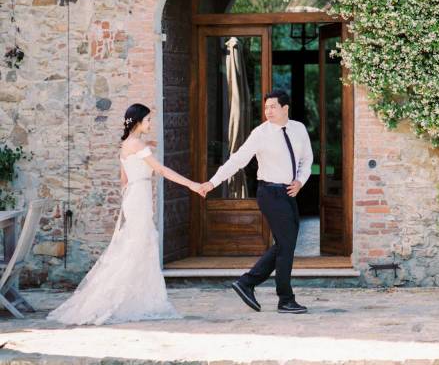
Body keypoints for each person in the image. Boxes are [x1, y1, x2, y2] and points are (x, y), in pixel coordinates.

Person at [47, 103, 204, 325]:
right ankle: (117, 299)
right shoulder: (137, 145)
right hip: (139, 198)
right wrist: (192, 185)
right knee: (136, 248)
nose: (150, 123)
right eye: (148, 120)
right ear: (138, 122)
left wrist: (129, 199)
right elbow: (160, 170)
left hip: (134, 196)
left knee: (137, 246)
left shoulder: (127, 144)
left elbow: (124, 180)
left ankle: (135, 298)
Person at [199, 89, 312, 314]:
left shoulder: (298, 129)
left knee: (284, 244)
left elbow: (307, 159)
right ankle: (284, 299)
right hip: (270, 193)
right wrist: (212, 183)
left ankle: (247, 283)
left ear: (285, 108)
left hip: (290, 192)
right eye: (266, 107)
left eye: (273, 107)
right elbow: (238, 160)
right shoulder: (260, 133)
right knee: (286, 245)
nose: (268, 111)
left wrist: (300, 181)